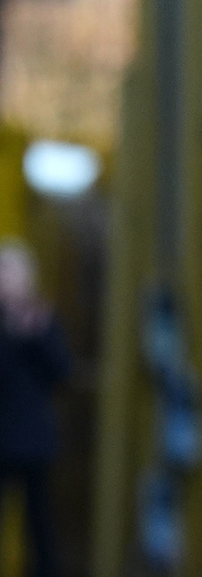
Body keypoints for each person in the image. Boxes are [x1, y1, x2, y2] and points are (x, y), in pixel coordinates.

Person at [0, 240, 73, 577]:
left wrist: (37, 333)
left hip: (32, 438)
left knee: (39, 524)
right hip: (3, 434)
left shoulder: (43, 318)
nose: (10, 280)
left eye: (15, 273)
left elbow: (62, 369)